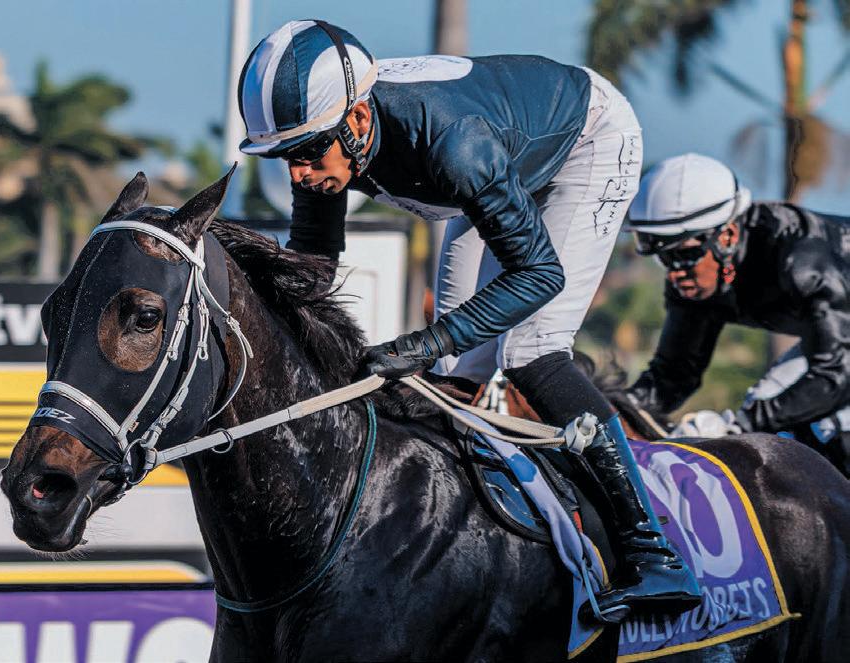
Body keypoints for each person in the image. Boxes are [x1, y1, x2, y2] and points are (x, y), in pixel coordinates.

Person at [237, 19, 700, 622]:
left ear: (355, 120)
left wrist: (424, 342)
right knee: (460, 370)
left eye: (303, 154)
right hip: (498, 161)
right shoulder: (330, 138)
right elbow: (311, 272)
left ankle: (653, 552)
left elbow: (539, 275)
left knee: (530, 350)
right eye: (282, 157)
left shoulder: (452, 145)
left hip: (586, 142)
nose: (298, 175)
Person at [625, 153, 850, 475]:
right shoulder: (694, 279)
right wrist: (610, 414)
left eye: (684, 254)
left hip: (842, 351)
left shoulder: (802, 262)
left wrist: (735, 425)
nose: (676, 274)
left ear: (727, 236)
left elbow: (834, 375)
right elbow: (673, 376)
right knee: (768, 417)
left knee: (829, 430)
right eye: (663, 257)